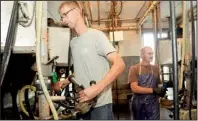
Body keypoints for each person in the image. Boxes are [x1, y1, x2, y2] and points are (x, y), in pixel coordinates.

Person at [53, 1, 125, 120]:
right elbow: (82, 70)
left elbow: (120, 64)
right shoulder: (73, 43)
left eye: (65, 15)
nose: (64, 20)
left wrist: (96, 89)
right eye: (62, 17)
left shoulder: (96, 36)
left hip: (100, 106)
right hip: (82, 104)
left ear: (77, 11)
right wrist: (64, 82)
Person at [128, 46, 166, 120]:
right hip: (139, 103)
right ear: (142, 55)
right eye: (149, 53)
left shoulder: (155, 68)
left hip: (153, 103)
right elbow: (134, 88)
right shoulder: (135, 68)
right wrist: (153, 90)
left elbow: (159, 84)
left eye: (152, 53)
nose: (151, 56)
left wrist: (162, 89)